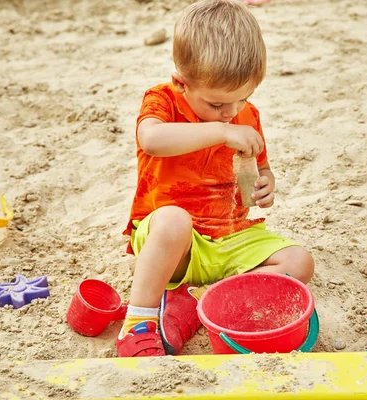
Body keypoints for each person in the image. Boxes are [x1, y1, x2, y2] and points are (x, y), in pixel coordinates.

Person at [117, 0, 314, 357]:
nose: (232, 112)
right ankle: (138, 320)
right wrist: (220, 132)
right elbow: (152, 140)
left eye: (243, 99)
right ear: (182, 83)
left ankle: (203, 299)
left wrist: (266, 184)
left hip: (230, 237)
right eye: (218, 105)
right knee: (174, 222)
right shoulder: (163, 101)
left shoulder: (245, 114)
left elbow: (261, 168)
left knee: (300, 262)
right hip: (176, 246)